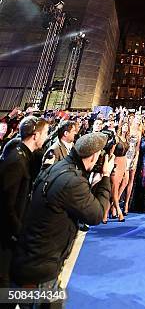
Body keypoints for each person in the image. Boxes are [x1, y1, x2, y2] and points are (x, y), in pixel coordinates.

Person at [10, 132, 113, 299]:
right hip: (41, 265)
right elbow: (96, 215)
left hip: (29, 256)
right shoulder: (73, 182)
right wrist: (106, 177)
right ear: (94, 156)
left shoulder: (60, 167)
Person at [0, 116, 49, 287]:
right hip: (6, 236)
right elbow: (7, 203)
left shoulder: (25, 156)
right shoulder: (17, 160)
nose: (46, 138)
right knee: (4, 281)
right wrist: (18, 232)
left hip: (12, 231)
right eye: (45, 133)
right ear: (35, 135)